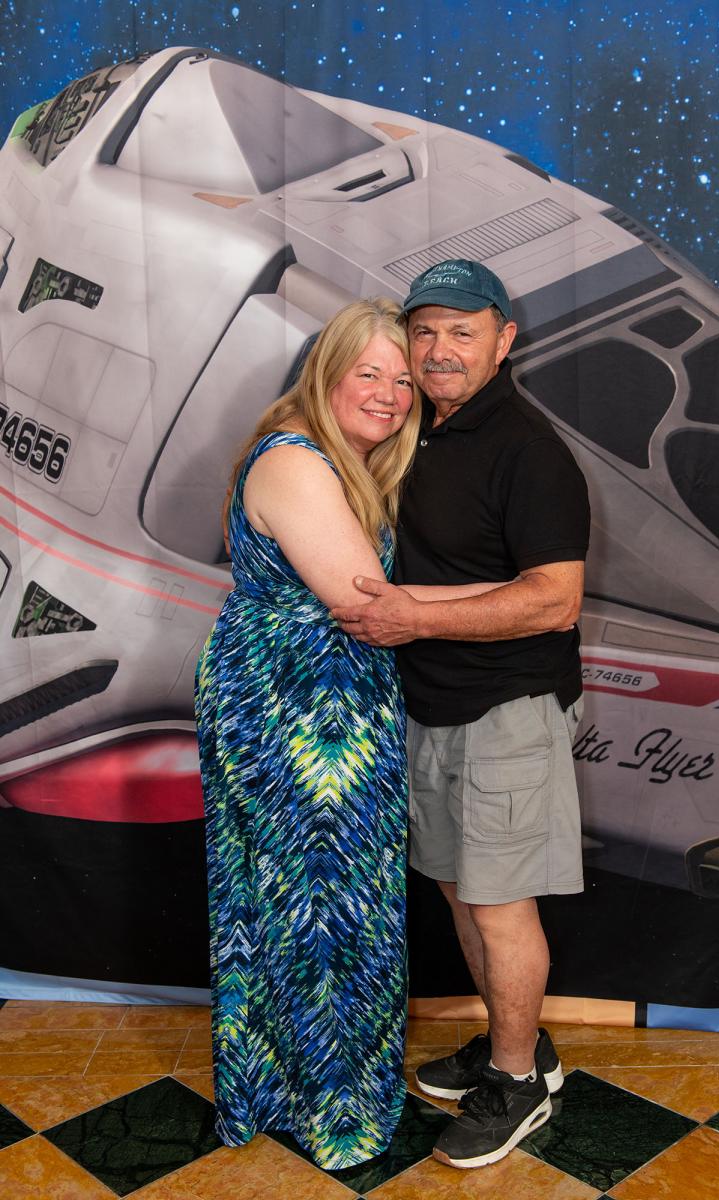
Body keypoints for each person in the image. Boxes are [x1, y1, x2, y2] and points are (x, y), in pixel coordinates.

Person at [195, 297, 506, 1170]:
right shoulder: (296, 463)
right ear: (325, 374)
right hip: (294, 711)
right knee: (324, 907)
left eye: (403, 380)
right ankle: (335, 1116)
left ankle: (276, 1090)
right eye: (368, 373)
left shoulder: (340, 462)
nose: (390, 395)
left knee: (300, 902)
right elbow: (367, 604)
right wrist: (523, 596)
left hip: (324, 700)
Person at [332, 260, 590, 1170]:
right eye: (425, 331)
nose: (439, 349)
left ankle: (517, 1084)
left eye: (462, 331)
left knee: (497, 903)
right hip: (430, 706)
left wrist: (416, 618)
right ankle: (512, 1046)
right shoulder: (421, 431)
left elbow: (554, 599)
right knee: (456, 889)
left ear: (503, 340)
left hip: (504, 711)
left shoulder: (527, 449)